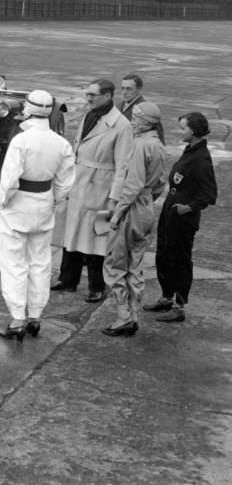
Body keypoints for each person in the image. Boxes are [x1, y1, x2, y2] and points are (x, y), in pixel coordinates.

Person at [0, 90, 75, 341]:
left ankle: (18, 317)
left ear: (28, 109)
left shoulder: (21, 140)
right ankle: (35, 317)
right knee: (40, 263)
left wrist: (3, 202)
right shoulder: (61, 143)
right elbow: (65, 184)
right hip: (43, 204)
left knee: (14, 264)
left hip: (17, 206)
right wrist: (53, 202)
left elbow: (9, 180)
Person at [52, 79, 133, 302]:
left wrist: (114, 198)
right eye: (87, 94)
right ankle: (68, 279)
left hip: (101, 185)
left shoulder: (121, 125)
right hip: (80, 181)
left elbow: (122, 166)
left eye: (93, 95)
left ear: (108, 96)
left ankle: (97, 286)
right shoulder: (90, 115)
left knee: (98, 237)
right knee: (72, 232)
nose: (88, 98)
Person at [101, 101, 167, 336]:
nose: (132, 122)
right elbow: (159, 184)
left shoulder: (140, 145)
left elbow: (133, 185)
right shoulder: (158, 145)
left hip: (132, 208)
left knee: (116, 262)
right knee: (136, 264)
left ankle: (123, 316)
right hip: (147, 208)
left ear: (145, 122)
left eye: (136, 118)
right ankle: (134, 313)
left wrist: (117, 213)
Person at [145, 111, 217, 323]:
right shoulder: (190, 150)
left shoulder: (201, 159)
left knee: (179, 260)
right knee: (164, 256)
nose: (180, 131)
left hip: (183, 218)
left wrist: (190, 207)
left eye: (183, 128)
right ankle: (166, 297)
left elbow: (209, 193)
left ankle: (179, 305)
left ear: (193, 131)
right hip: (171, 212)